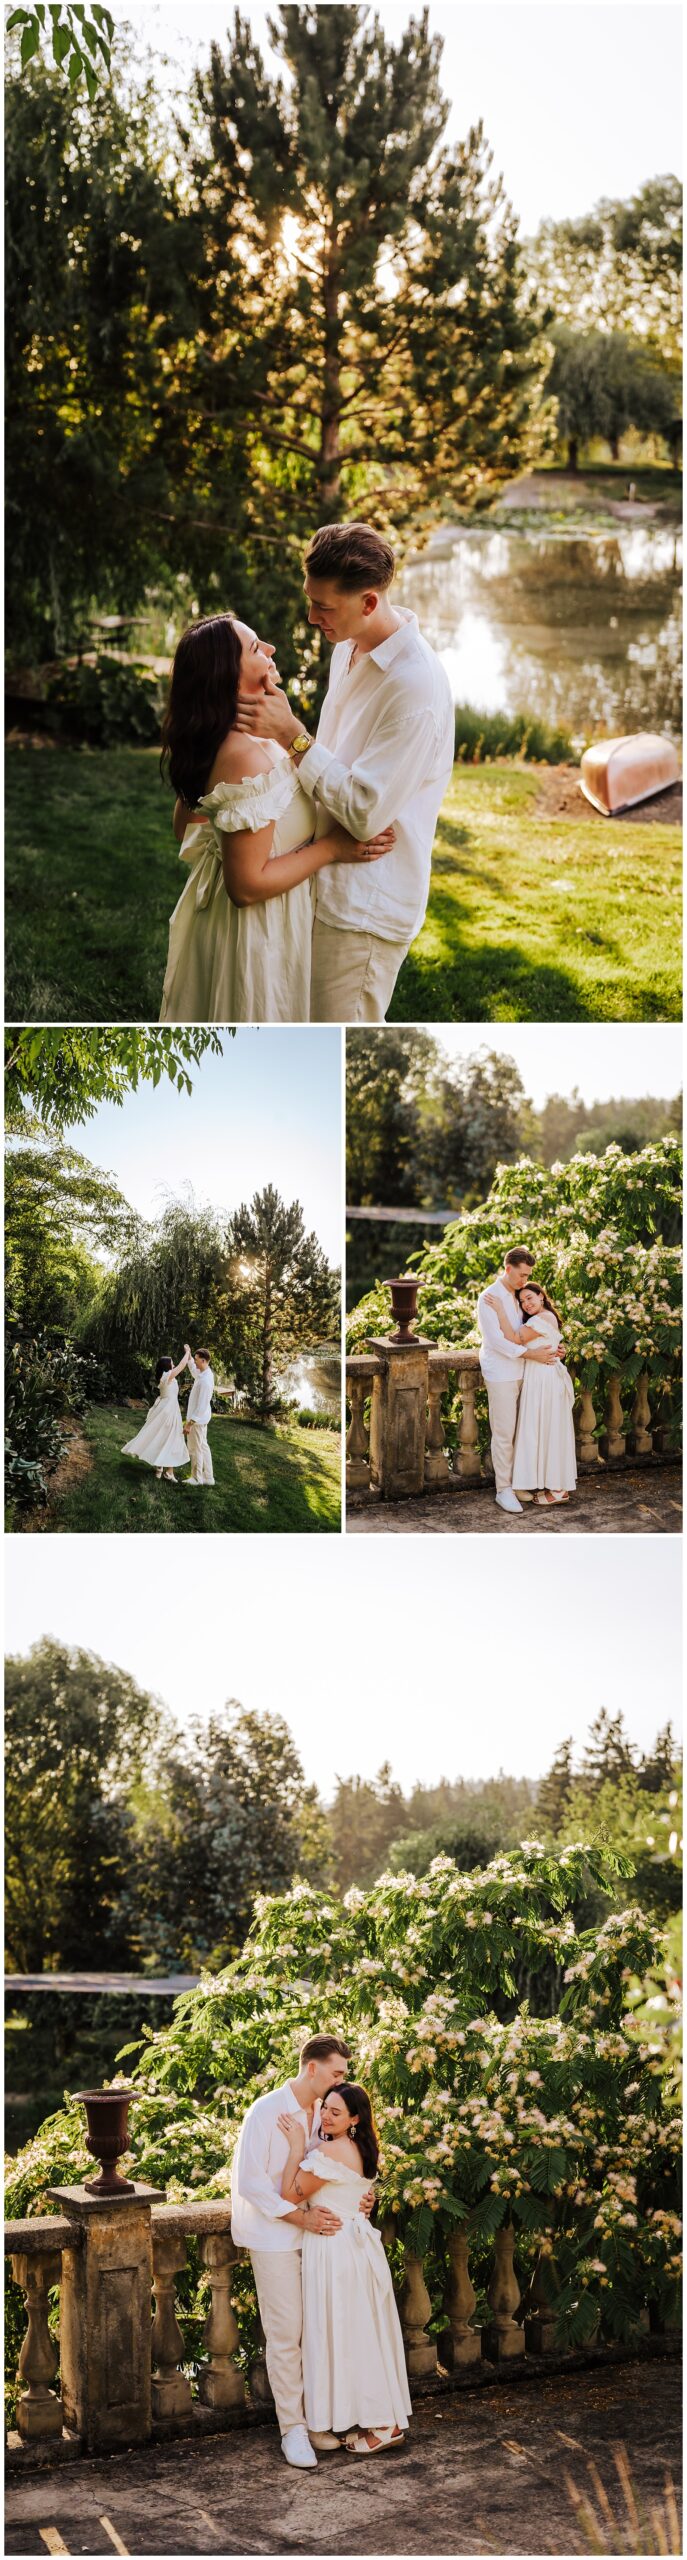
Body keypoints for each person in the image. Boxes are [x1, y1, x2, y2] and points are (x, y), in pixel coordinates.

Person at [235, 519, 455, 1022]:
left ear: (370, 602)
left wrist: (291, 734)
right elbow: (334, 757)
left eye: (324, 606)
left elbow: (364, 812)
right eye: (310, 600)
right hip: (324, 882)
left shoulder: (414, 687)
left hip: (365, 911)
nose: (311, 617)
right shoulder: (347, 647)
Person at [158, 613, 394, 1024]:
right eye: (254, 648)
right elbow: (246, 886)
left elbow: (188, 824)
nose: (270, 649)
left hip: (255, 922)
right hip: (253, 931)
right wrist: (334, 848)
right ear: (229, 678)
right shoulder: (244, 755)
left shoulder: (247, 736)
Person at [230, 2032, 374, 2470]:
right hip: (274, 2237)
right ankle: (292, 2429)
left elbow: (337, 2169)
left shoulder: (324, 2113)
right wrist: (300, 2219)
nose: (342, 2079)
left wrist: (364, 2199)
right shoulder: (266, 2111)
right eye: (337, 2071)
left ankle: (316, 2421)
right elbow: (250, 2184)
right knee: (286, 2334)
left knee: (317, 2331)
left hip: (320, 2241)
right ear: (312, 2068)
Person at [279, 2081, 411, 2456]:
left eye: (336, 2113)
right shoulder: (361, 2148)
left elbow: (289, 2194)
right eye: (324, 2108)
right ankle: (378, 2417)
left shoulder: (333, 2150)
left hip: (336, 2249)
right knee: (360, 2334)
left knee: (348, 2336)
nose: (326, 2116)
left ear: (354, 2119)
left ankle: (384, 2423)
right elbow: (358, 2192)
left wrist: (294, 2148)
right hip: (355, 2244)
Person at [477, 1249, 565, 1515]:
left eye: (528, 1275)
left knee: (522, 1430)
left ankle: (516, 1484)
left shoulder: (520, 1296)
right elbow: (497, 1341)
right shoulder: (488, 1298)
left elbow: (533, 1330)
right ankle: (503, 1489)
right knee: (504, 1433)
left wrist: (555, 1348)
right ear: (508, 1268)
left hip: (527, 1371)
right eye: (522, 1274)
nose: (525, 1279)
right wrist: (532, 1354)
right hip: (502, 1372)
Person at [493, 1284, 577, 1505]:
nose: (526, 1304)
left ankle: (559, 1490)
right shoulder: (541, 1318)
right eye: (522, 1302)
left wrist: (500, 1310)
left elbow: (514, 1338)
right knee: (543, 1431)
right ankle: (553, 1486)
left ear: (541, 1296)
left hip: (545, 1380)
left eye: (530, 1298)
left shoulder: (543, 1318)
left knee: (549, 1431)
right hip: (540, 1378)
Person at [121, 1352, 189, 1482]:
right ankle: (166, 1471)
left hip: (168, 1408)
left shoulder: (167, 1376)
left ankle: (162, 1469)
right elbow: (181, 1365)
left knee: (164, 1437)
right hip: (167, 1410)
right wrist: (188, 1352)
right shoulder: (167, 1376)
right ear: (167, 1366)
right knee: (170, 1437)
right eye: (171, 1363)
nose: (173, 1364)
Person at [181, 1342, 215, 1487]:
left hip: (198, 1420)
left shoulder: (206, 1380)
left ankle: (196, 1478)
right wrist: (188, 1355)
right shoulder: (203, 1373)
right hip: (200, 1420)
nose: (195, 1362)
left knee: (196, 1449)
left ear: (203, 1360)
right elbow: (194, 1371)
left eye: (196, 1359)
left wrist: (189, 1424)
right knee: (203, 1447)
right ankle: (208, 1478)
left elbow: (201, 1407)